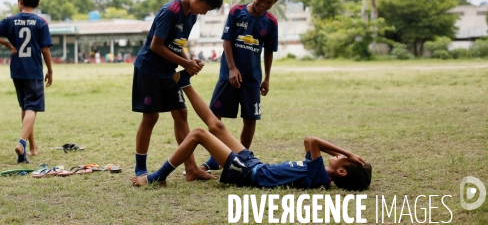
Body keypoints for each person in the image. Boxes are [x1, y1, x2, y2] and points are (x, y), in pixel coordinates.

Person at [131, 72, 372, 191]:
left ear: (340, 171)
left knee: (198, 134)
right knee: (217, 126)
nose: (341, 156)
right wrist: (347, 155)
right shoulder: (316, 171)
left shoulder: (321, 177)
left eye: (344, 160)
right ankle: (184, 82)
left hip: (248, 173)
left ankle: (156, 177)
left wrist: (348, 151)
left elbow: (314, 140)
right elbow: (309, 141)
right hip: (255, 164)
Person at [132, 0, 224, 181]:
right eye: (206, 8)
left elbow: (176, 43)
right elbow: (156, 45)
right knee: (151, 117)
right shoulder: (170, 11)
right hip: (149, 69)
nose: (204, 12)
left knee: (181, 113)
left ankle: (191, 169)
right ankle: (140, 169)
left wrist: (188, 60)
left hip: (168, 71)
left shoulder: (191, 13)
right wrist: (185, 64)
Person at [201, 0, 283, 171]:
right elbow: (227, 40)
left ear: (275, 2)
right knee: (215, 115)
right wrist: (231, 68)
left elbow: (269, 51)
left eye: (269, 2)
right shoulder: (237, 12)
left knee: (250, 119)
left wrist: (267, 78)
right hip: (228, 76)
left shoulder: (271, 22)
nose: (263, 4)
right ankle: (215, 158)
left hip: (252, 79)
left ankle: (242, 157)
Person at [0, 0, 53, 164]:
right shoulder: (41, 23)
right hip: (33, 71)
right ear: (38, 3)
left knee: (26, 108)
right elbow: (45, 50)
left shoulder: (10, 21)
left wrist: (6, 44)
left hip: (17, 71)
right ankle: (22, 143)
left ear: (19, 1)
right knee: (32, 108)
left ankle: (32, 147)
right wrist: (50, 70)